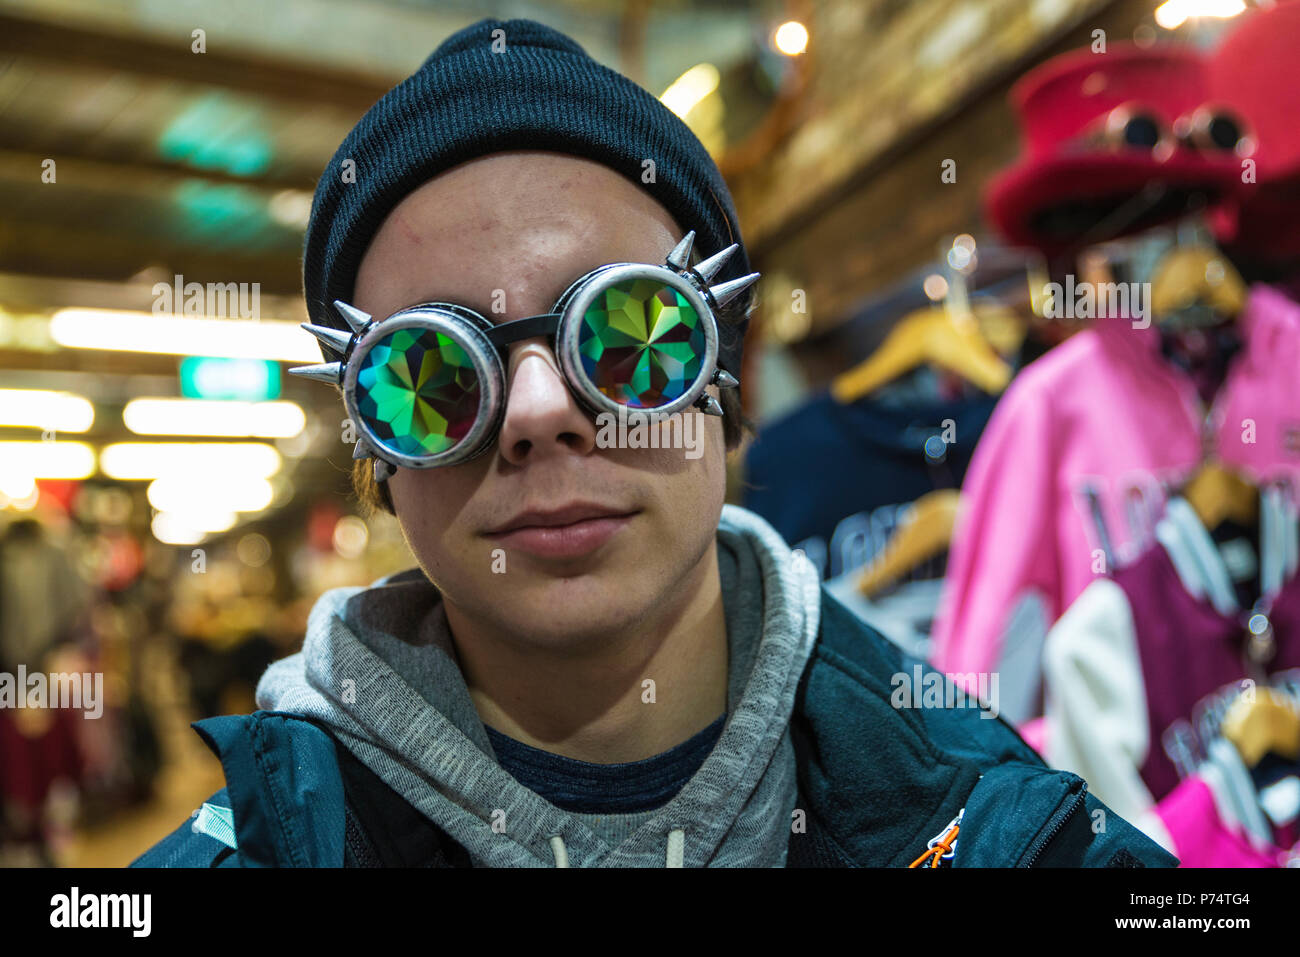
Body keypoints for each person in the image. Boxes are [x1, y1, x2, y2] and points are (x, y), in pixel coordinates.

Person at [132, 17, 1175, 868]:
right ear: (374, 460)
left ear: (721, 374)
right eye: (434, 379)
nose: (539, 410)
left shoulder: (1001, 828)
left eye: (629, 338)